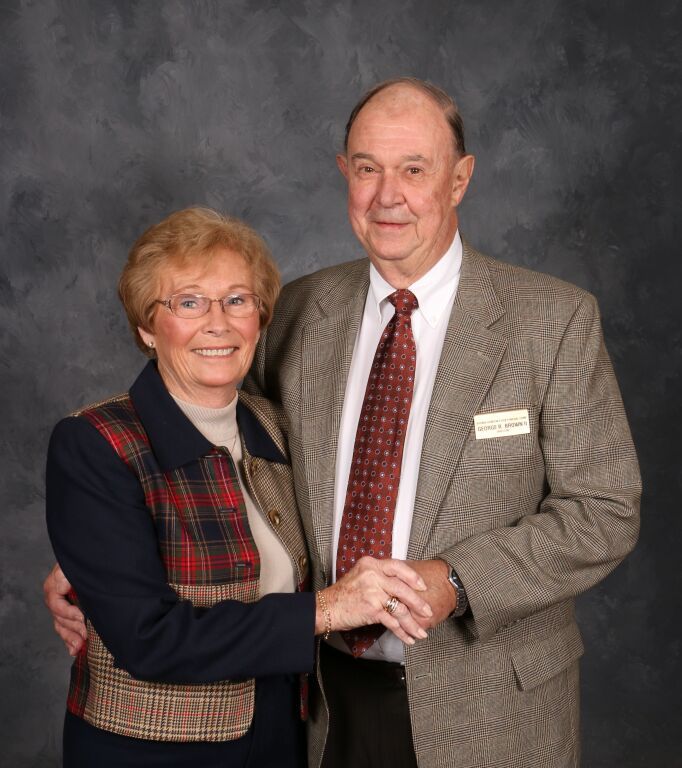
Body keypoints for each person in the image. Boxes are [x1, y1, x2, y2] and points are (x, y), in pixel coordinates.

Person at [46, 79, 641, 768]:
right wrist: (96, 553)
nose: (388, 195)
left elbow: (604, 509)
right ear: (343, 174)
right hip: (320, 700)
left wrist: (461, 578)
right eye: (367, 168)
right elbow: (226, 460)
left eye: (414, 169)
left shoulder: (552, 320)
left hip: (490, 703)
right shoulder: (295, 312)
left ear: (459, 179)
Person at [44, 206, 432, 768]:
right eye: (188, 302)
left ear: (259, 317)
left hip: (283, 729)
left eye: (237, 300)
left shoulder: (275, 425)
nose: (218, 323)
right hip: (151, 749)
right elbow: (148, 638)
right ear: (147, 327)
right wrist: (324, 610)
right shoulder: (95, 442)